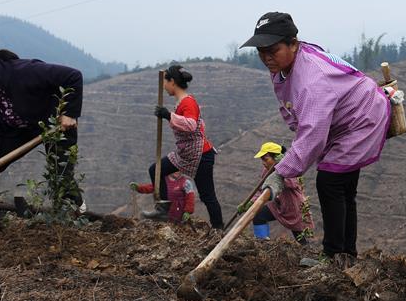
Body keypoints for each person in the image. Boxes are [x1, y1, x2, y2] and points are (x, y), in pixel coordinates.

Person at [240, 12, 390, 262]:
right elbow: (293, 108)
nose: (266, 57)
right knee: (342, 188)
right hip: (345, 119)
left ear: (293, 44)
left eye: (273, 50)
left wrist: (282, 171)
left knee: (330, 183)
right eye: (261, 51)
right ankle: (346, 254)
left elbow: (313, 134)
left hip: (361, 118)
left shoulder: (312, 80)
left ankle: (333, 255)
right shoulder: (286, 65)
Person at [0, 37, 84, 224]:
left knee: (61, 175)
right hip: (19, 131)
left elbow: (73, 76)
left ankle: (77, 217)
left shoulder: (24, 71)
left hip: (54, 125)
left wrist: (69, 113)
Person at [138, 65, 223, 228]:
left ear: (173, 82)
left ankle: (219, 230)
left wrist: (168, 115)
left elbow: (191, 125)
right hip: (185, 154)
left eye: (165, 82)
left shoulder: (188, 102)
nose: (164, 86)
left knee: (207, 196)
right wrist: (168, 115)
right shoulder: (181, 103)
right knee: (155, 169)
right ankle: (163, 209)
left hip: (200, 155)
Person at [239, 142, 313, 244]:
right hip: (278, 206)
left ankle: (308, 254)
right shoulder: (266, 171)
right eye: (262, 160)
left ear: (276, 158)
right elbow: (262, 189)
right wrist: (249, 203)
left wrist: (282, 168)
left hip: (294, 207)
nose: (263, 163)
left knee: (300, 237)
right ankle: (263, 244)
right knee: (259, 215)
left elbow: (293, 183)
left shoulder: (291, 169)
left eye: (266, 159)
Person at [130, 172, 195, 223]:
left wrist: (188, 211)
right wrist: (139, 188)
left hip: (178, 212)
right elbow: (152, 187)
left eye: (178, 169)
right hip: (163, 211)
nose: (176, 171)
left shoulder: (186, 182)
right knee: (144, 216)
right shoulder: (164, 180)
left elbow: (190, 197)